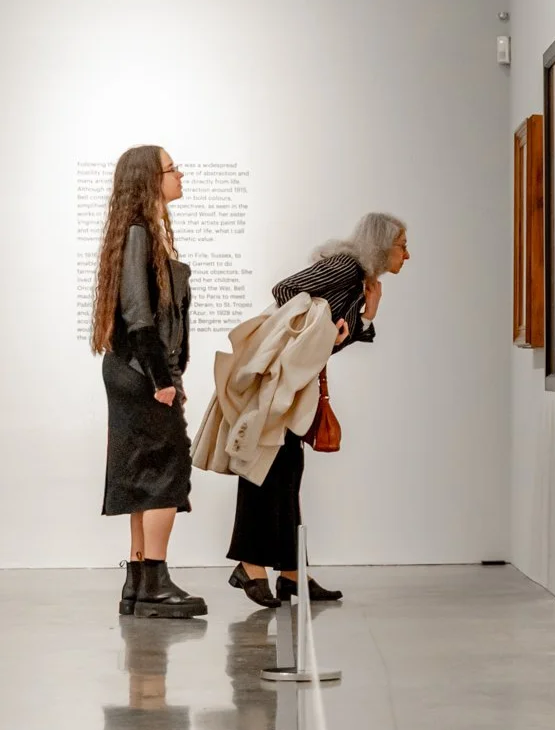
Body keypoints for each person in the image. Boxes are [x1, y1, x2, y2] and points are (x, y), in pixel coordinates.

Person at [226, 213, 409, 608]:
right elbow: (286, 289)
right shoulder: (345, 267)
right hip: (279, 380)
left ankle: (291, 574)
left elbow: (332, 341)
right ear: (381, 245)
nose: (406, 255)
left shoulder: (359, 280)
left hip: (293, 383)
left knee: (287, 469)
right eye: (402, 245)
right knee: (267, 467)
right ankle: (249, 565)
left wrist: (367, 316)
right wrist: (328, 327)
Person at [91, 145, 207, 619]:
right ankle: (156, 583)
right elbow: (139, 318)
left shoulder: (138, 234)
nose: (180, 174)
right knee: (164, 475)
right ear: (148, 180)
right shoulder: (140, 234)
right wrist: (164, 380)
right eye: (171, 168)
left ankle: (138, 583)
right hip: (142, 374)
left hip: (130, 371)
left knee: (144, 475)